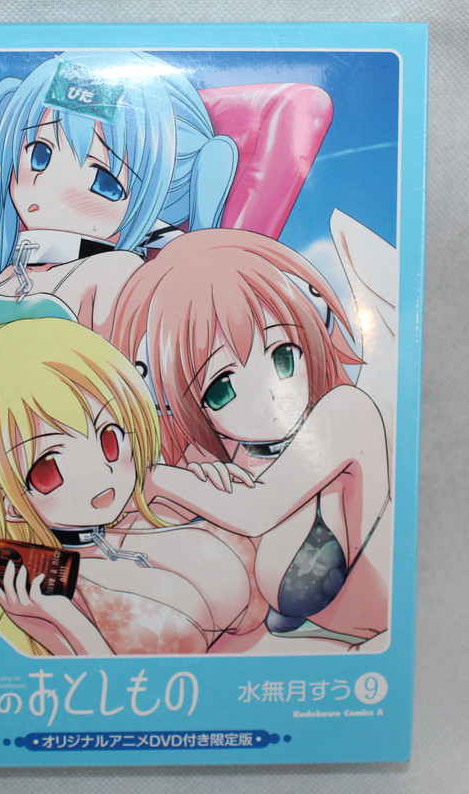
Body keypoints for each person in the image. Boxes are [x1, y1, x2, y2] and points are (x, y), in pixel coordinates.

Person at [0, 317, 263, 656]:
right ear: (8, 501)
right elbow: (102, 681)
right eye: (48, 469)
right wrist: (54, 620)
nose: (100, 472)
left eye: (109, 438)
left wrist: (177, 483)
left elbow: (255, 521)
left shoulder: (152, 502)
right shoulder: (46, 586)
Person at [112, 229, 392, 649]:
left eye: (283, 355)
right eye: (221, 388)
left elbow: (255, 510)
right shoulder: (224, 451)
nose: (267, 395)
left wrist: (158, 479)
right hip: (279, 652)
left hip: (372, 650)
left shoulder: (345, 414)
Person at [0, 51, 237, 392]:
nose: (54, 189)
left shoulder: (115, 270)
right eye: (39, 154)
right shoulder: (5, 270)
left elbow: (119, 397)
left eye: (104, 181)